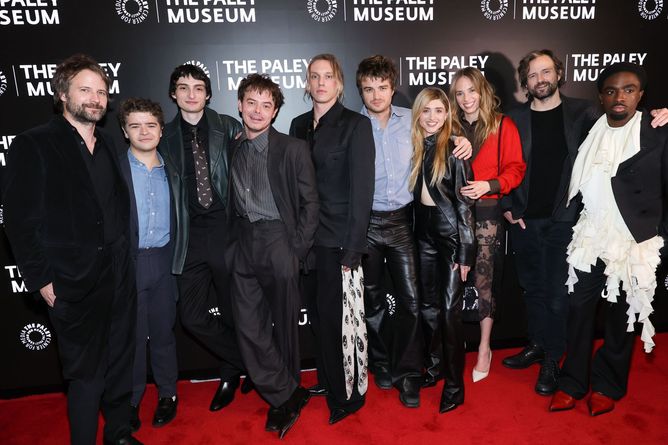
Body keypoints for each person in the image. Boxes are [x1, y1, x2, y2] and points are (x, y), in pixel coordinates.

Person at [501, 50, 668, 396]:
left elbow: (629, 120)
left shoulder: (584, 113)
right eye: (532, 74)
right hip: (529, 221)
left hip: (570, 222)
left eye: (546, 71)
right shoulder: (514, 118)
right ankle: (544, 351)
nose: (540, 79)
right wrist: (507, 205)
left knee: (566, 298)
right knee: (538, 293)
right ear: (525, 82)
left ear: (559, 74)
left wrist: (663, 113)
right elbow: (501, 162)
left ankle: (559, 361)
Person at [3, 54, 141, 445]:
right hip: (72, 278)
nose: (96, 98)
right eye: (86, 90)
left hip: (118, 271)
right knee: (85, 373)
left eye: (102, 92)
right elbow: (19, 219)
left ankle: (118, 433)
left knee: (120, 361)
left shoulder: (110, 143)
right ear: (63, 94)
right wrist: (41, 278)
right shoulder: (35, 143)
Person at [549, 62, 667, 416]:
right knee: (578, 311)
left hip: (634, 242)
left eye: (629, 90)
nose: (620, 97)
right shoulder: (588, 126)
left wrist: (660, 238)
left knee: (619, 318)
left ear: (640, 95)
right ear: (600, 97)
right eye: (611, 90)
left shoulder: (657, 132)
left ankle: (607, 385)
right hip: (591, 234)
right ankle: (572, 382)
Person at [355, 55, 472, 407]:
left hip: (404, 224)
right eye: (369, 89)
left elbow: (445, 135)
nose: (376, 95)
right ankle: (381, 364)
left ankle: (409, 373)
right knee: (372, 301)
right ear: (360, 91)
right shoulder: (352, 126)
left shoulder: (413, 119)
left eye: (383, 87)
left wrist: (463, 140)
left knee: (412, 302)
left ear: (393, 88)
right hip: (366, 224)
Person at [227, 74, 319, 438]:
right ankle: (288, 391)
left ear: (276, 111)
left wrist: (296, 250)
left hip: (280, 239)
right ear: (240, 105)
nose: (258, 111)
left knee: (285, 325)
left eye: (267, 105)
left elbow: (311, 204)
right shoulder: (233, 147)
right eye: (251, 103)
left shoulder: (293, 149)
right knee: (249, 326)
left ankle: (286, 397)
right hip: (243, 241)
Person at [289, 53, 375, 425]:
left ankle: (348, 396)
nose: (321, 82)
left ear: (339, 83)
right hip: (306, 241)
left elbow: (362, 191)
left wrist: (354, 247)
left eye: (328, 76)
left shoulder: (355, 125)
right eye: (314, 76)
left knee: (341, 323)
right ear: (307, 83)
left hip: (339, 241)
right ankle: (327, 380)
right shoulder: (297, 125)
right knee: (319, 318)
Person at [158, 64, 248, 412]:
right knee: (192, 316)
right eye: (183, 87)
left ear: (208, 94)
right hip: (189, 235)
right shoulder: (163, 135)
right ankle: (249, 361)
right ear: (173, 94)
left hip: (226, 231)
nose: (191, 94)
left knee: (233, 311)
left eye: (198, 87)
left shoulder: (229, 127)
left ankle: (230, 374)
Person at [450, 67, 526, 382]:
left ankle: (484, 347)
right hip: (452, 213)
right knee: (453, 280)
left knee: (485, 279)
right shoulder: (449, 125)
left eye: (472, 90)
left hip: (487, 211)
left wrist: (489, 185)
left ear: (483, 91)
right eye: (460, 93)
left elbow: (516, 168)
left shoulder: (502, 124)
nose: (466, 98)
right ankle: (452, 343)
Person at [408, 87, 475, 413]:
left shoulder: (454, 149)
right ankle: (434, 369)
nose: (432, 117)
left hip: (450, 239)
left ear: (447, 114)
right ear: (418, 114)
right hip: (423, 236)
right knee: (428, 308)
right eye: (426, 110)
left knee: (449, 312)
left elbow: (465, 206)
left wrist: (465, 253)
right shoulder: (416, 146)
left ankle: (455, 385)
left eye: (438, 110)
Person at [118, 98, 179, 431]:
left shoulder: (173, 169)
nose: (144, 132)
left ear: (161, 129)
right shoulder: (115, 169)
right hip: (130, 264)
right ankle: (131, 400)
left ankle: (168, 393)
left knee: (163, 333)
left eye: (150, 125)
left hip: (165, 261)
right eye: (135, 126)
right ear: (124, 131)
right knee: (133, 338)